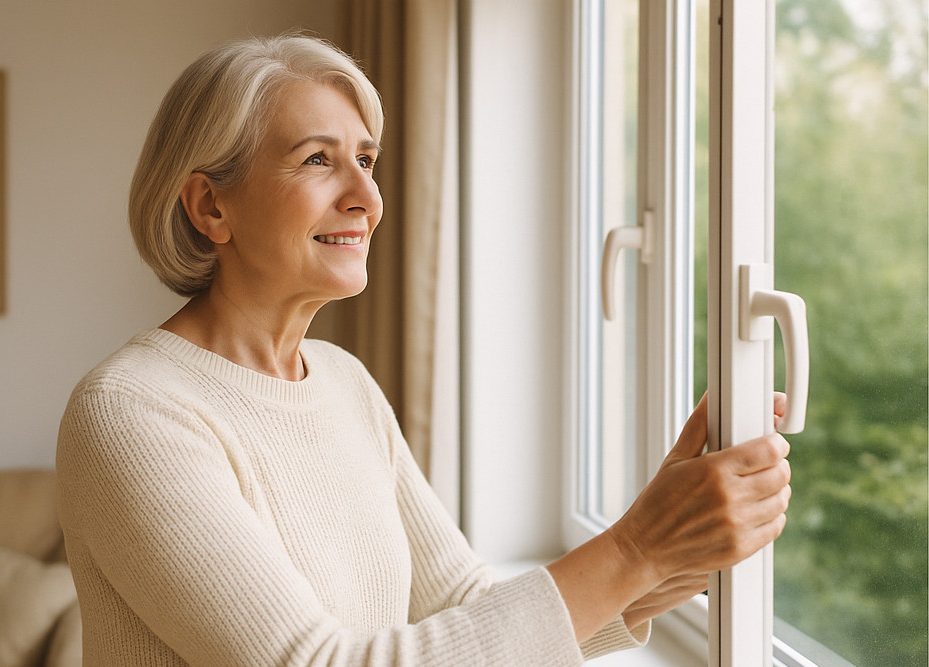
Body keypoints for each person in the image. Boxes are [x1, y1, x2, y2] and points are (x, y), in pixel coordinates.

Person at [56, 34, 792, 666]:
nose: (366, 198)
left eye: (367, 160)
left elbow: (466, 605)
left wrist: (675, 550)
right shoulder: (131, 412)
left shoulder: (343, 381)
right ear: (211, 206)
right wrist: (636, 547)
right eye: (318, 159)